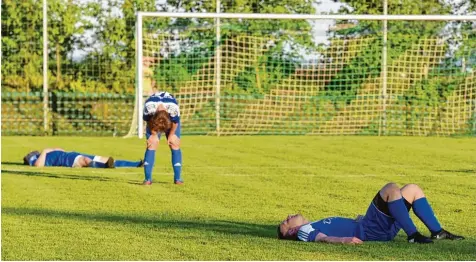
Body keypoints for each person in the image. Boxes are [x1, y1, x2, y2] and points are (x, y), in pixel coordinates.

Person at [278, 182, 464, 244]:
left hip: (371, 225)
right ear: (292, 232)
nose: (287, 217)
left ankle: (437, 231)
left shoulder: (312, 224)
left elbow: (338, 227)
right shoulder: (304, 231)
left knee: (412, 189)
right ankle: (413, 235)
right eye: (285, 223)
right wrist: (342, 240)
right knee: (391, 188)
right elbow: (322, 238)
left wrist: (355, 221)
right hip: (372, 229)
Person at [142, 91, 183, 185]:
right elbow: (148, 121)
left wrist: (172, 135)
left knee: (174, 144)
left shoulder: (173, 109)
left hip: (171, 119)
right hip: (153, 120)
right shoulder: (149, 108)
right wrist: (153, 134)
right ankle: (147, 179)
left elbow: (175, 122)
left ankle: (178, 179)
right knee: (152, 144)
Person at [23, 148, 143, 168]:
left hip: (71, 154)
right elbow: (38, 166)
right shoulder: (35, 159)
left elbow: (61, 149)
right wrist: (44, 151)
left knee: (104, 158)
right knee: (85, 161)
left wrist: (50, 149)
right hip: (66, 160)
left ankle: (136, 164)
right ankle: (104, 166)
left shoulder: (42, 154)